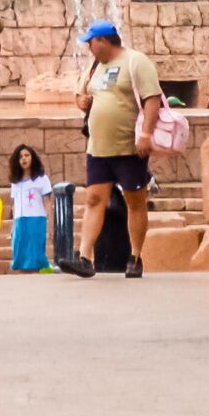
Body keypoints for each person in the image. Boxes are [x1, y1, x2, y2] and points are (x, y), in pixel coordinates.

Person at [77, 20, 163, 277]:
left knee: (134, 201)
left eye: (90, 42)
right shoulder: (94, 67)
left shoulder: (136, 61)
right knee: (93, 199)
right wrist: (81, 102)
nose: (89, 48)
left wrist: (146, 134)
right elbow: (81, 93)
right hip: (98, 148)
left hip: (129, 148)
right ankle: (84, 258)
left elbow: (152, 98)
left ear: (103, 41)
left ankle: (135, 256)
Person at [4, 145, 55, 273]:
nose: (24, 159)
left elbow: (48, 201)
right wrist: (13, 226)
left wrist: (51, 224)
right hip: (20, 220)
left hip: (36, 218)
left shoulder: (41, 179)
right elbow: (15, 203)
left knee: (35, 249)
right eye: (20, 157)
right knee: (20, 247)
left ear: (32, 158)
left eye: (27, 155)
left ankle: (38, 271)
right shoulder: (15, 181)